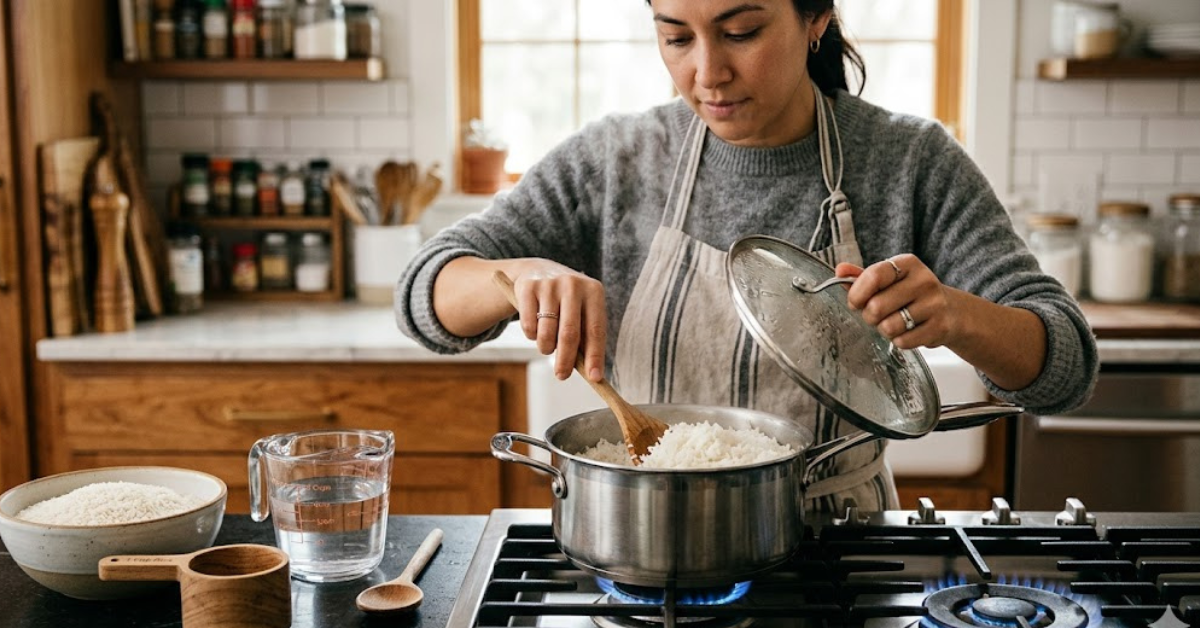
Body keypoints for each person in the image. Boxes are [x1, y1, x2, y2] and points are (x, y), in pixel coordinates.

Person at [397, 0, 1099, 512]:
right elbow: (424, 294)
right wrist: (511, 276)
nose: (707, 72)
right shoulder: (614, 161)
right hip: (645, 548)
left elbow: (1064, 366)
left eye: (742, 32)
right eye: (675, 37)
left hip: (838, 554)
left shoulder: (909, 163)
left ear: (816, 18)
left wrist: (958, 316)